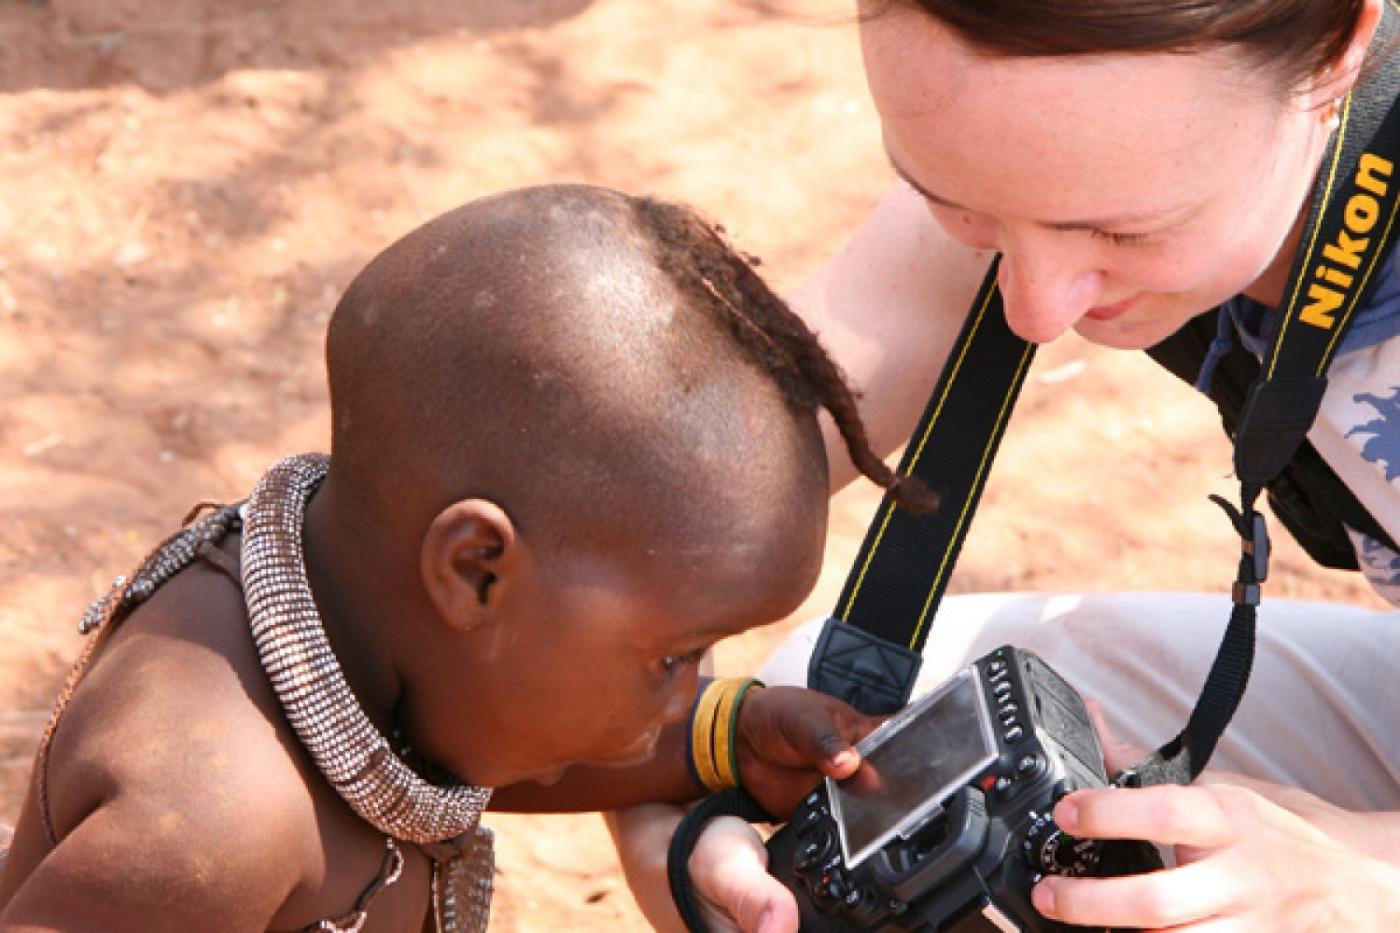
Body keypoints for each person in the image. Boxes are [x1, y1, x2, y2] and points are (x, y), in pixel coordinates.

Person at [609, 1, 1400, 930]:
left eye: (1121, 232)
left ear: (1334, 53)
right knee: (890, 735)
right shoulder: (1055, 150)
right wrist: (674, 765)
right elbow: (680, 499)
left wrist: (1363, 871)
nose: (1034, 308)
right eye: (958, 204)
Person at [0, 183, 931, 930]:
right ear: (476, 568)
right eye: (670, 658)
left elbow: (457, 753)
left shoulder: (358, 623)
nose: (689, 687)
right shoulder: (211, 823)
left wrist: (728, 741)